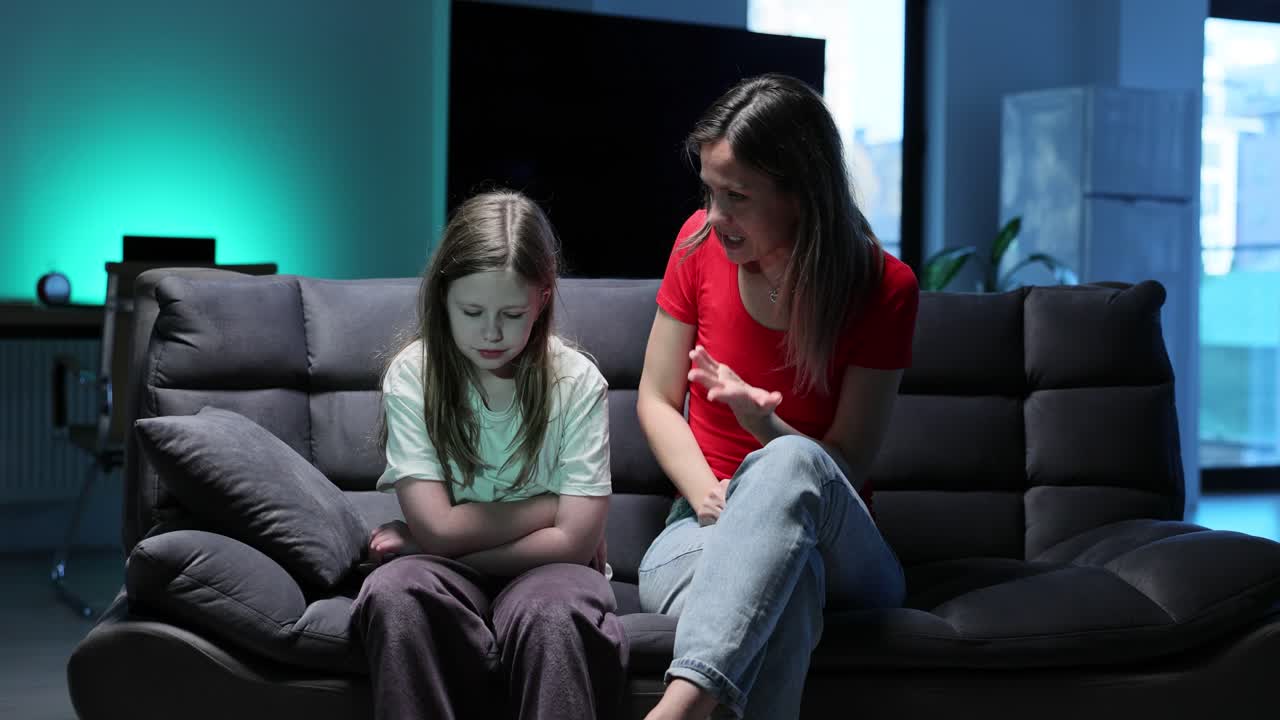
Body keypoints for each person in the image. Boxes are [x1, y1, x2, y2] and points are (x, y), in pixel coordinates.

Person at [635, 74, 919, 720]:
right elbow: (655, 398)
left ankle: (678, 708)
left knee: (791, 466)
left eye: (736, 197)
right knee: (787, 590)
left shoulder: (884, 289)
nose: (714, 217)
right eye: (709, 191)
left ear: (801, 196)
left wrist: (763, 425)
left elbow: (843, 462)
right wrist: (710, 495)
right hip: (701, 527)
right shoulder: (696, 246)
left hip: (840, 544)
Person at [351, 190, 627, 720]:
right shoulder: (415, 375)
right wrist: (549, 507)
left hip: (551, 574)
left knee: (554, 612)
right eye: (472, 311)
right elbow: (439, 529)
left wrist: (440, 543)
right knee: (395, 591)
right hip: (451, 572)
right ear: (443, 297)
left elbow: (573, 546)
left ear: (543, 298)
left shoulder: (577, 382)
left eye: (512, 313)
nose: (492, 333)